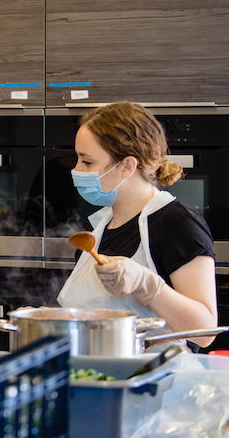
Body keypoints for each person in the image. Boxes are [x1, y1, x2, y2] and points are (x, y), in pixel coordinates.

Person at [57, 102, 218, 350]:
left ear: (127, 166)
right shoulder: (100, 228)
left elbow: (205, 331)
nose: (76, 170)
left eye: (87, 162)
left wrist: (146, 284)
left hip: (157, 382)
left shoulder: (176, 223)